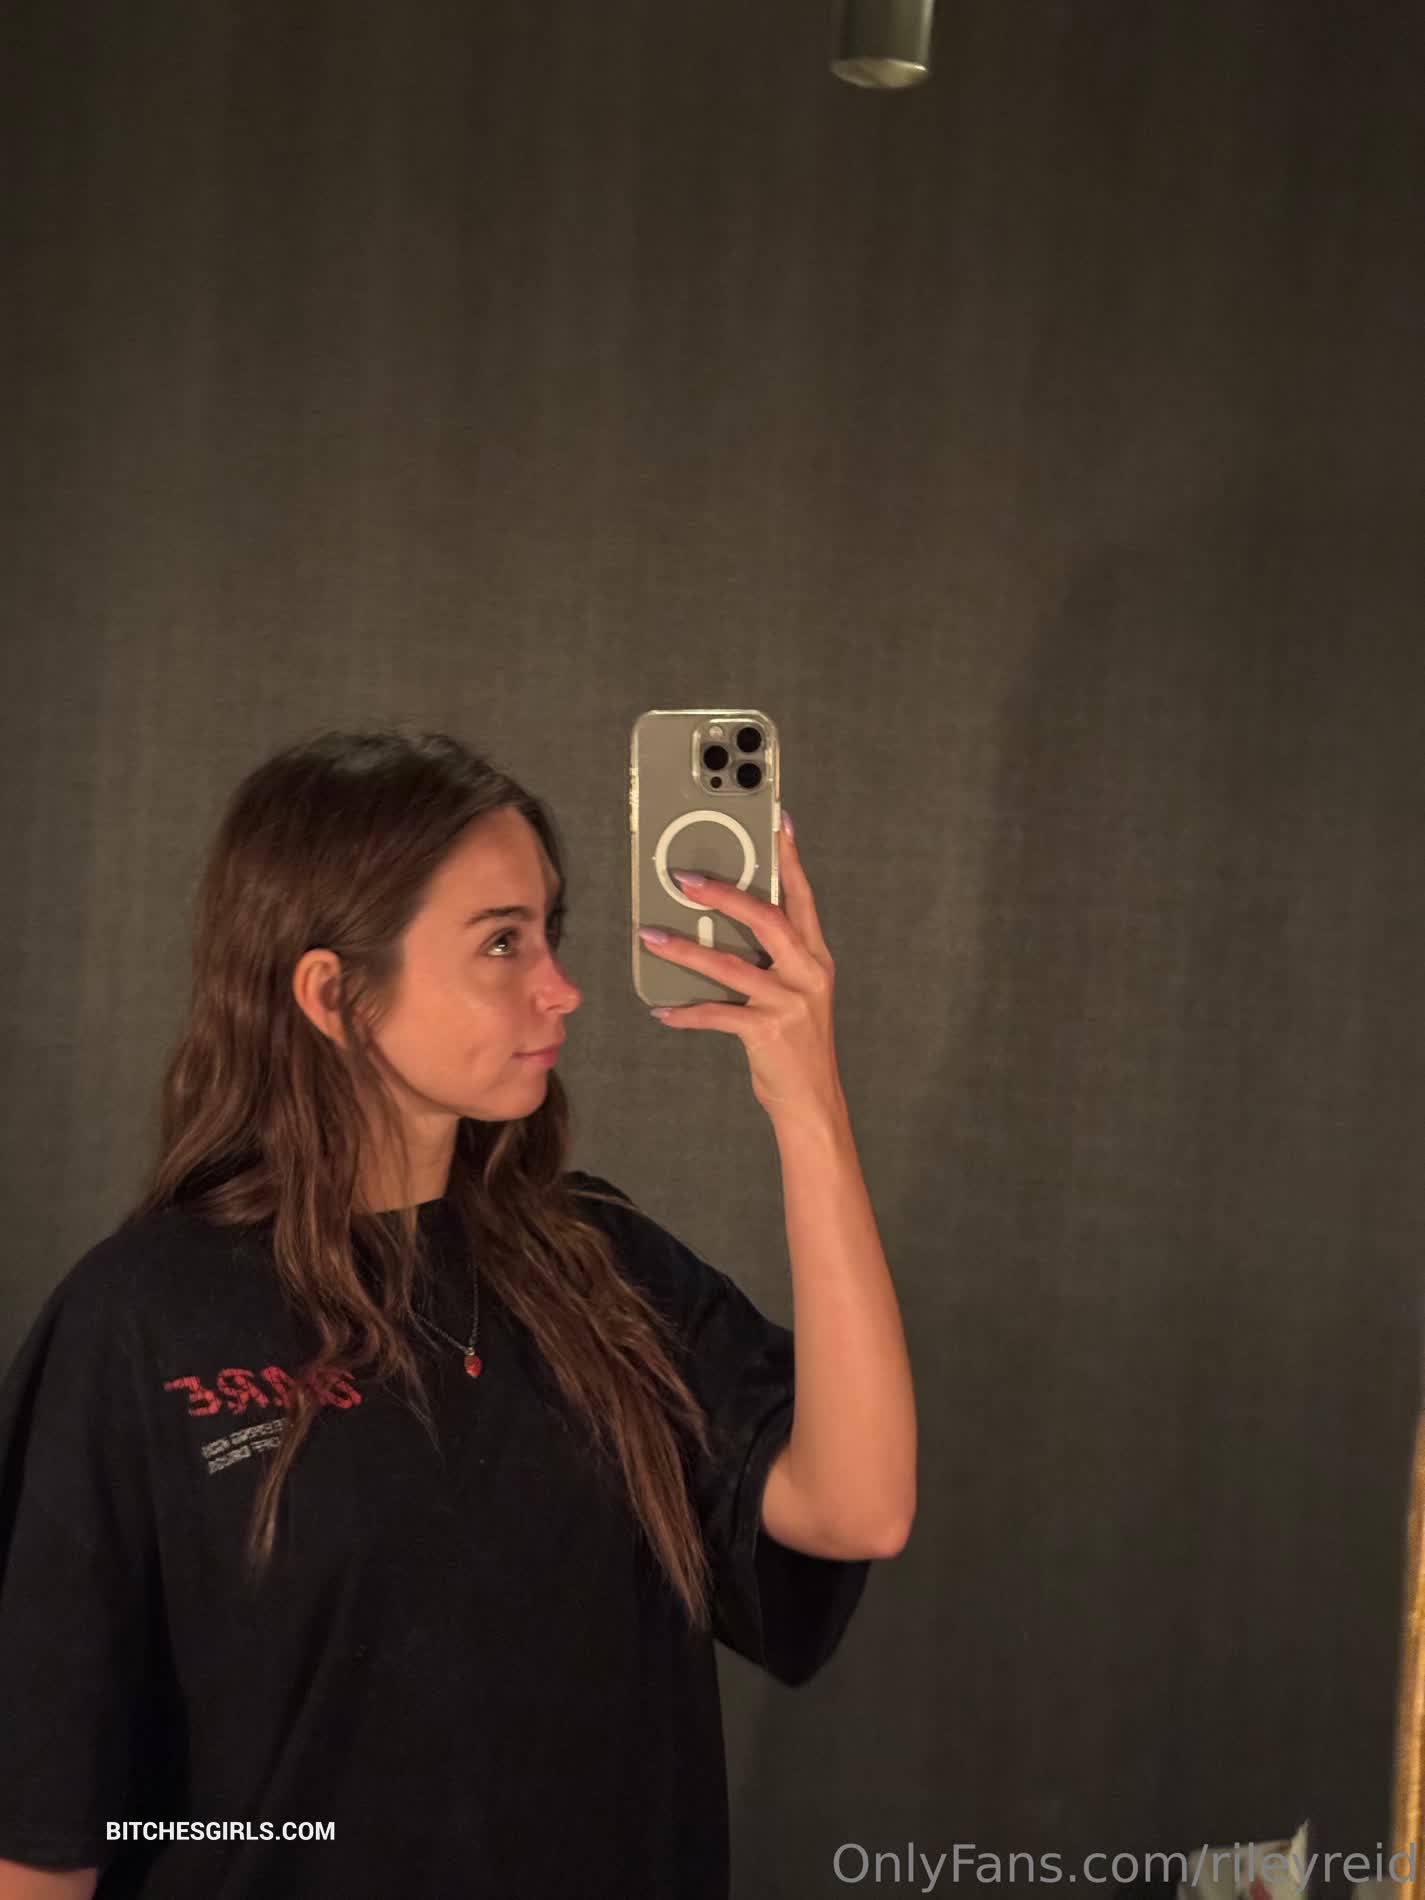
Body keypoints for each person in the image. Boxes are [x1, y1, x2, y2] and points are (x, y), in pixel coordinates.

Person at [0, 726, 890, 1900]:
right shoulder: (140, 1319)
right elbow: (42, 1824)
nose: (560, 986)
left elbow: (855, 1505)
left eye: (551, 931)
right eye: (502, 942)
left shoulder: (601, 1267)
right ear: (333, 994)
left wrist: (809, 1099)